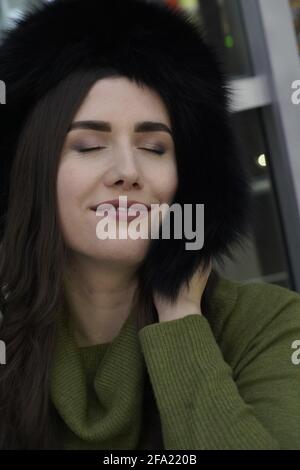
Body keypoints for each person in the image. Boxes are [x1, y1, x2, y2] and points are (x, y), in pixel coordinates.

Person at [0, 0, 300, 450]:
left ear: (192, 181)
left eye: (155, 148)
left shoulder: (269, 325)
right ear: (29, 172)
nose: (128, 170)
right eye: (87, 145)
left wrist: (180, 311)